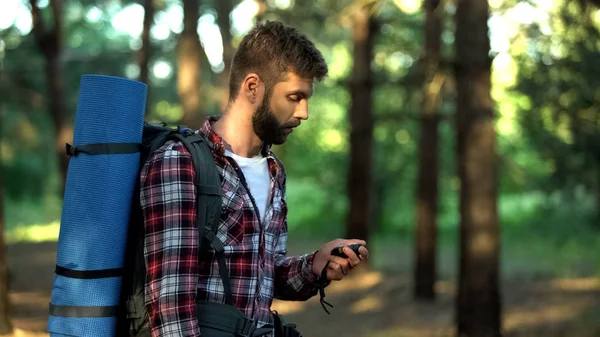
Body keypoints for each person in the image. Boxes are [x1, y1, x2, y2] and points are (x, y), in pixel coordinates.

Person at [139, 20, 370, 337]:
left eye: (306, 99)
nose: (304, 112)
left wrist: (316, 264)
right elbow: (170, 308)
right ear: (252, 87)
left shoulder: (273, 171)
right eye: (294, 97)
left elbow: (262, 277)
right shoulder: (180, 163)